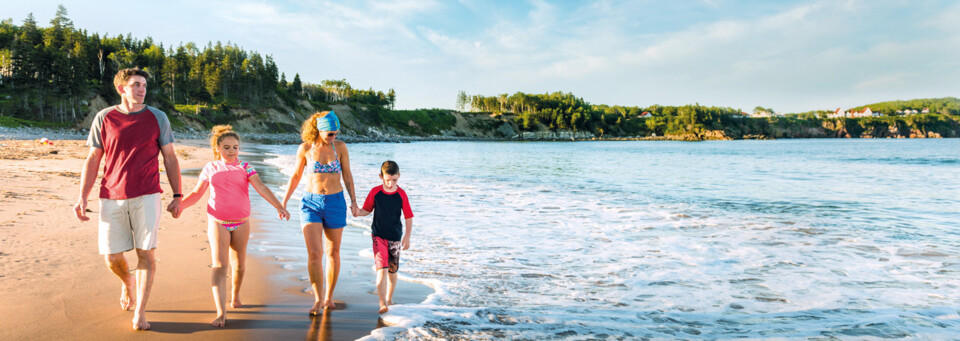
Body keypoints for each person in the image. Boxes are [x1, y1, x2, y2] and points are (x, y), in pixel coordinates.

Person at [73, 67, 182, 331]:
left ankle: (141, 312)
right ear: (121, 88)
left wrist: (178, 195)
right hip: (111, 195)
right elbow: (93, 158)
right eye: (135, 84)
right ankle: (127, 282)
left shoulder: (158, 117)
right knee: (111, 256)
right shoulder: (104, 117)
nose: (142, 89)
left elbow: (169, 156)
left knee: (146, 253)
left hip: (148, 194)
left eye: (144, 84)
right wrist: (82, 196)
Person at [179, 125, 290, 327]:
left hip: (241, 223)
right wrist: (179, 206)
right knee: (219, 265)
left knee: (239, 263)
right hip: (217, 222)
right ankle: (221, 312)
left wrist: (279, 206)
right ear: (217, 149)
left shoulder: (246, 167)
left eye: (235, 147)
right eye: (227, 147)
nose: (231, 151)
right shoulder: (210, 168)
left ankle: (236, 295)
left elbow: (261, 187)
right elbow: (196, 194)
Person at [282, 111, 359, 315]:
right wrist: (284, 202)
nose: (333, 136)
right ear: (318, 128)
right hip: (311, 204)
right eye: (330, 133)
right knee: (315, 253)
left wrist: (353, 202)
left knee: (333, 252)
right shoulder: (305, 148)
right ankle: (317, 299)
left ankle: (329, 297)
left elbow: (347, 174)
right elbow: (296, 176)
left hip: (336, 203)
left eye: (336, 133)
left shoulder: (340, 147)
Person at [355, 160, 414, 314]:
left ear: (399, 176)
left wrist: (407, 237)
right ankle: (382, 303)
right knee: (381, 269)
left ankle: (389, 298)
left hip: (395, 236)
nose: (390, 183)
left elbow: (408, 217)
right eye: (387, 180)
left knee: (393, 271)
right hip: (378, 236)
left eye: (394, 180)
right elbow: (366, 210)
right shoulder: (375, 192)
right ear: (381, 176)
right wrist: (357, 212)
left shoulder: (401, 194)